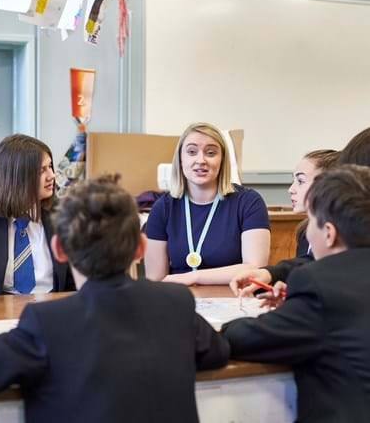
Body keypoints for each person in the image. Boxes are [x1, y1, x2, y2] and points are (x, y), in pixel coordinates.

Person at [0, 175, 230, 423]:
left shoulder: (47, 324)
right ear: (140, 248)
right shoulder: (176, 303)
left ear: (59, 249)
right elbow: (216, 351)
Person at [222, 165, 370, 422]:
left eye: (311, 221)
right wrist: (297, 307)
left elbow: (246, 338)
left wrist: (225, 328)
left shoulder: (318, 282)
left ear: (329, 233)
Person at [144, 122, 271, 284]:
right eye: (191, 152)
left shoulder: (249, 202)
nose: (201, 160)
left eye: (210, 153)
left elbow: (255, 269)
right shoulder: (163, 208)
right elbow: (156, 280)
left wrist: (194, 276)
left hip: (233, 299)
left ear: (222, 160)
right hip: (179, 300)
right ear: (180, 159)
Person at [0, 134, 75, 296]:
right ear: (16, 176)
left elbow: (73, 283)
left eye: (50, 166)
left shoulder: (63, 213)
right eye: (42, 170)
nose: (52, 176)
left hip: (53, 310)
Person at [228, 149, 338, 296]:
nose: (290, 190)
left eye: (300, 181)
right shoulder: (305, 231)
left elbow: (317, 269)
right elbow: (305, 272)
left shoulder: (342, 234)